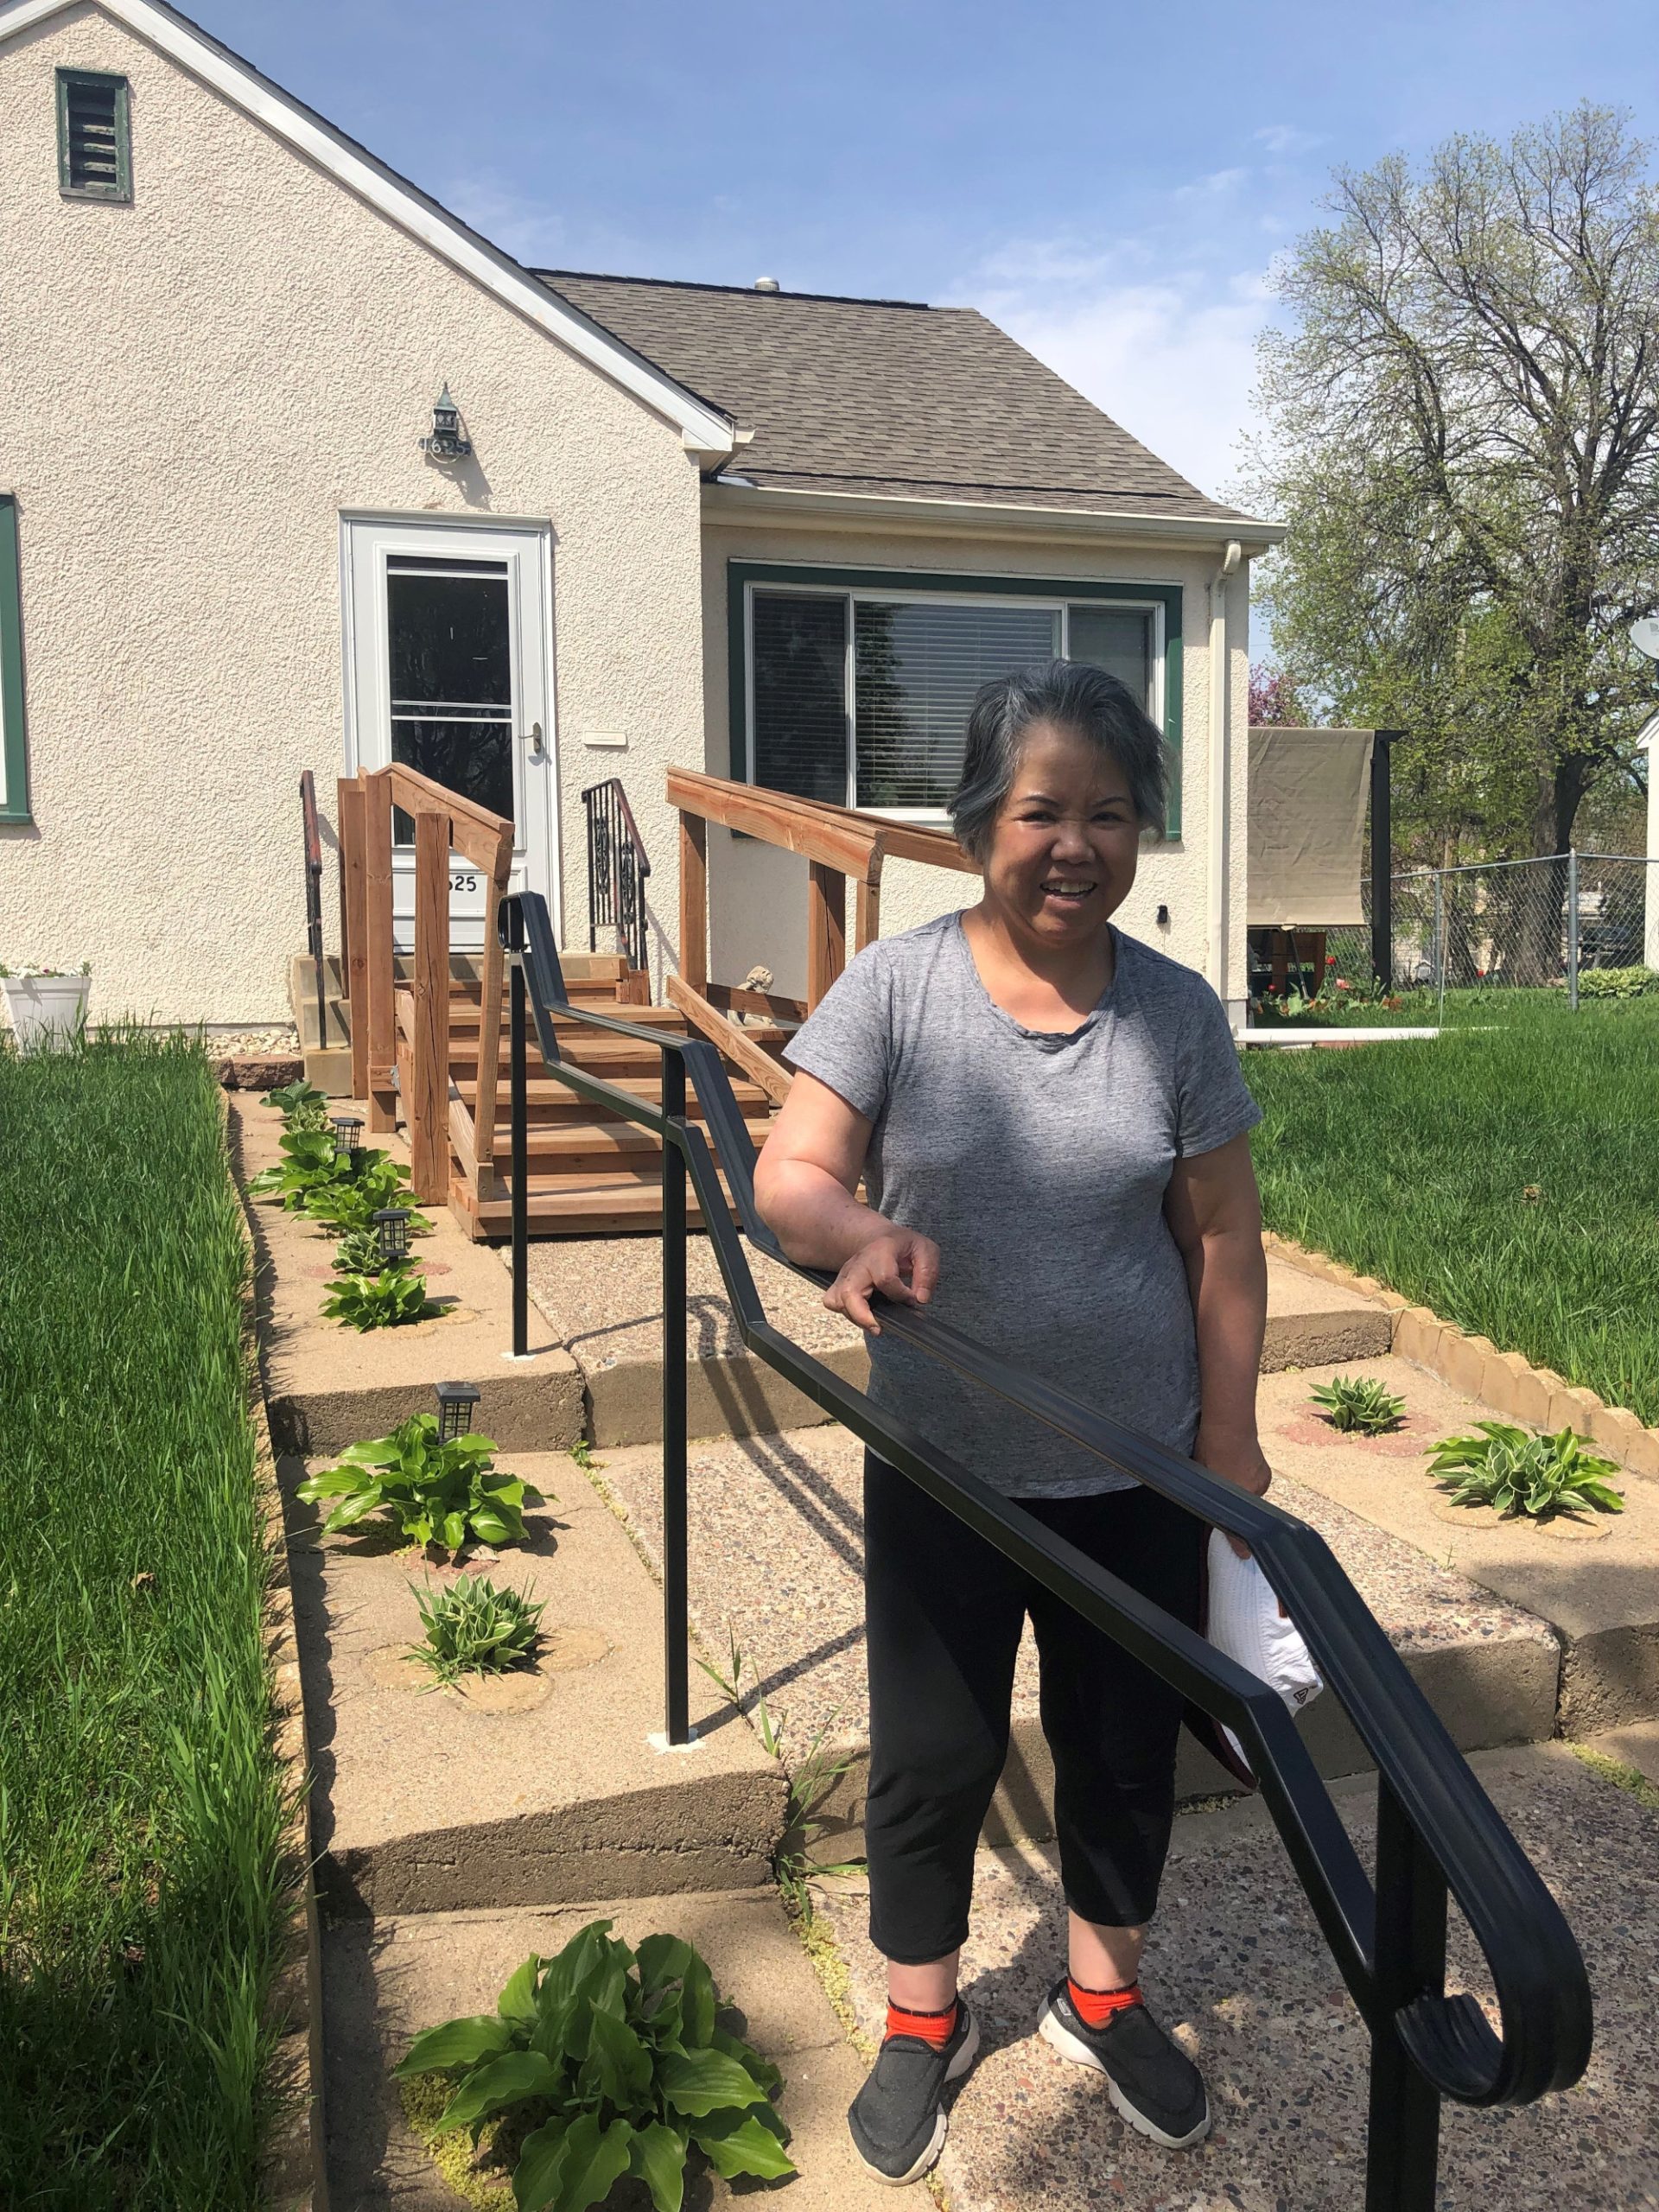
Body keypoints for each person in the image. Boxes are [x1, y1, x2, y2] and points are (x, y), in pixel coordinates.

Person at [753, 659, 1270, 2185]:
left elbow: (1224, 1237)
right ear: (981, 821)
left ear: (1140, 834)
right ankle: (924, 2019)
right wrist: (850, 1232)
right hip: (949, 1466)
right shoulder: (900, 988)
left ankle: (1101, 1996)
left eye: (1110, 814)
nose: (1075, 843)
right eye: (1042, 808)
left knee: (1120, 1747)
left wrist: (1228, 1446)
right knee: (935, 1749)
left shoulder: (1175, 1016)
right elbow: (788, 1172)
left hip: (1137, 1467)